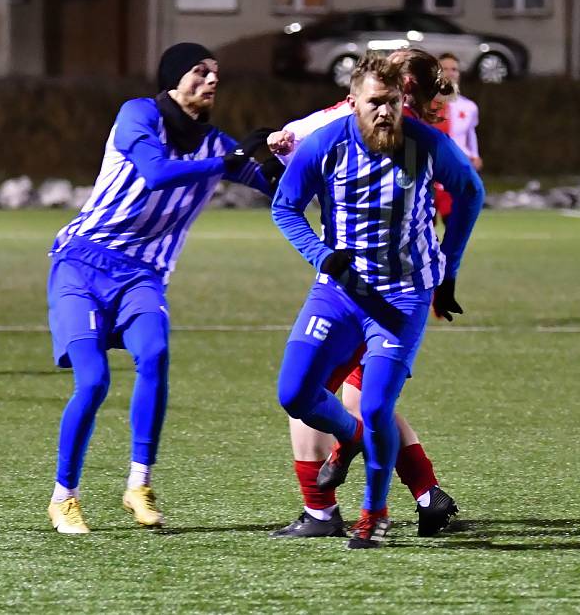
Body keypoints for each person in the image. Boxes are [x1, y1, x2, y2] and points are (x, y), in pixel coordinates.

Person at [46, 43, 274, 534]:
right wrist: (230, 161)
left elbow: (274, 184)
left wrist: (306, 160)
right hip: (82, 265)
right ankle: (64, 496)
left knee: (155, 354)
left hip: (142, 276)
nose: (212, 81)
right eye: (200, 71)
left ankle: (138, 483)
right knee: (93, 381)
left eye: (217, 74)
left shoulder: (217, 146)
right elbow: (154, 173)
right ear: (174, 78)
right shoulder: (138, 114)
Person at [272, 53, 484, 548]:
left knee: (373, 402)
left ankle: (364, 513)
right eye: (378, 100)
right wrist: (322, 255)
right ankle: (376, 462)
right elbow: (284, 200)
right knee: (301, 394)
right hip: (342, 291)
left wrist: (448, 271)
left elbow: (470, 192)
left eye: (396, 99)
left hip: (403, 293)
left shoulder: (423, 144)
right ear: (355, 100)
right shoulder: (329, 137)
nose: (388, 109)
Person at [434, 53, 483, 225]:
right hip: (431, 172)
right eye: (444, 69)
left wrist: (474, 154)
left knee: (454, 223)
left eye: (454, 69)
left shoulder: (468, 106)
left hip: (456, 171)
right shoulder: (427, 105)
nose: (450, 73)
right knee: (424, 226)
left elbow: (470, 133)